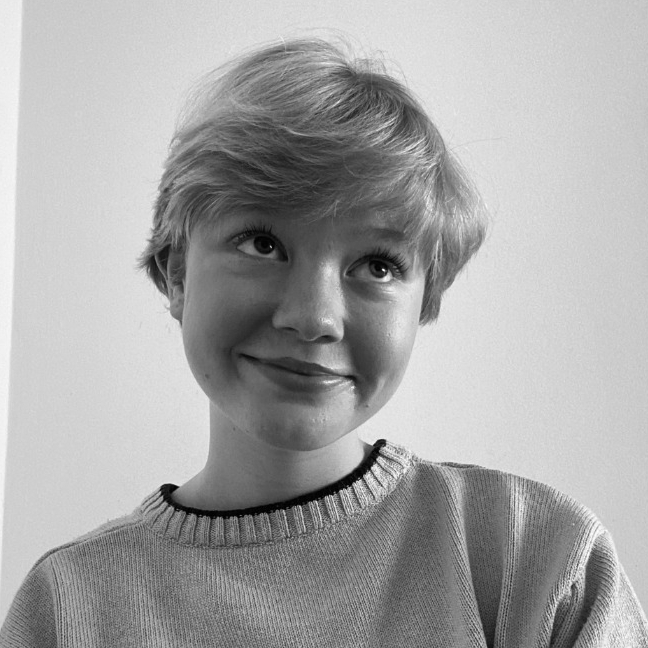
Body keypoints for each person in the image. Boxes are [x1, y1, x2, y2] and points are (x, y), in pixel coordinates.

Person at [1, 37, 647, 647]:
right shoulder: (66, 608)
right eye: (263, 244)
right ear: (176, 274)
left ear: (427, 300)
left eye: (377, 265)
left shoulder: (537, 561)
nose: (314, 318)